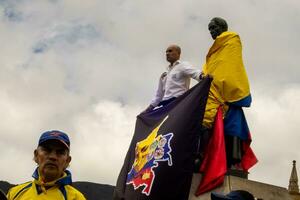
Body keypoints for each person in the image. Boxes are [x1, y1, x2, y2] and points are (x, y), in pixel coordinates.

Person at [201, 17, 257, 169]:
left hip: (227, 95)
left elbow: (231, 66)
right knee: (205, 124)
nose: (212, 31)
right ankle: (203, 159)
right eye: (209, 29)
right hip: (212, 94)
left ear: (222, 27)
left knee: (232, 128)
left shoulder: (232, 40)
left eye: (214, 28)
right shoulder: (213, 50)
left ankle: (232, 162)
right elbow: (211, 69)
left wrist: (222, 85)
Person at [7, 130, 86, 200]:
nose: (53, 157)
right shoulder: (14, 193)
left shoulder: (76, 198)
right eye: (47, 150)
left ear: (67, 161)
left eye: (60, 152)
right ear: (36, 155)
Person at [143, 44, 203, 112]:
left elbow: (196, 73)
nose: (167, 53)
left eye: (170, 51)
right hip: (165, 106)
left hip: (178, 102)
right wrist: (147, 110)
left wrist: (203, 77)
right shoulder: (164, 75)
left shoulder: (182, 66)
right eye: (166, 52)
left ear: (178, 53)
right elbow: (158, 96)